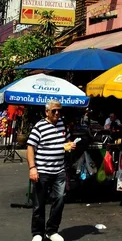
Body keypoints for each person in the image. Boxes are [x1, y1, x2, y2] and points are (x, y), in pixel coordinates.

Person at [27, 100, 76, 241]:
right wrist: (32, 168)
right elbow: (30, 147)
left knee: (59, 200)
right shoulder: (39, 126)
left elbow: (65, 142)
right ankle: (37, 233)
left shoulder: (62, 125)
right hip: (42, 171)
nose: (57, 113)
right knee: (39, 204)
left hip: (59, 170)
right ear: (46, 112)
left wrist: (70, 145)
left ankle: (51, 230)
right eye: (54, 111)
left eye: (59, 111)